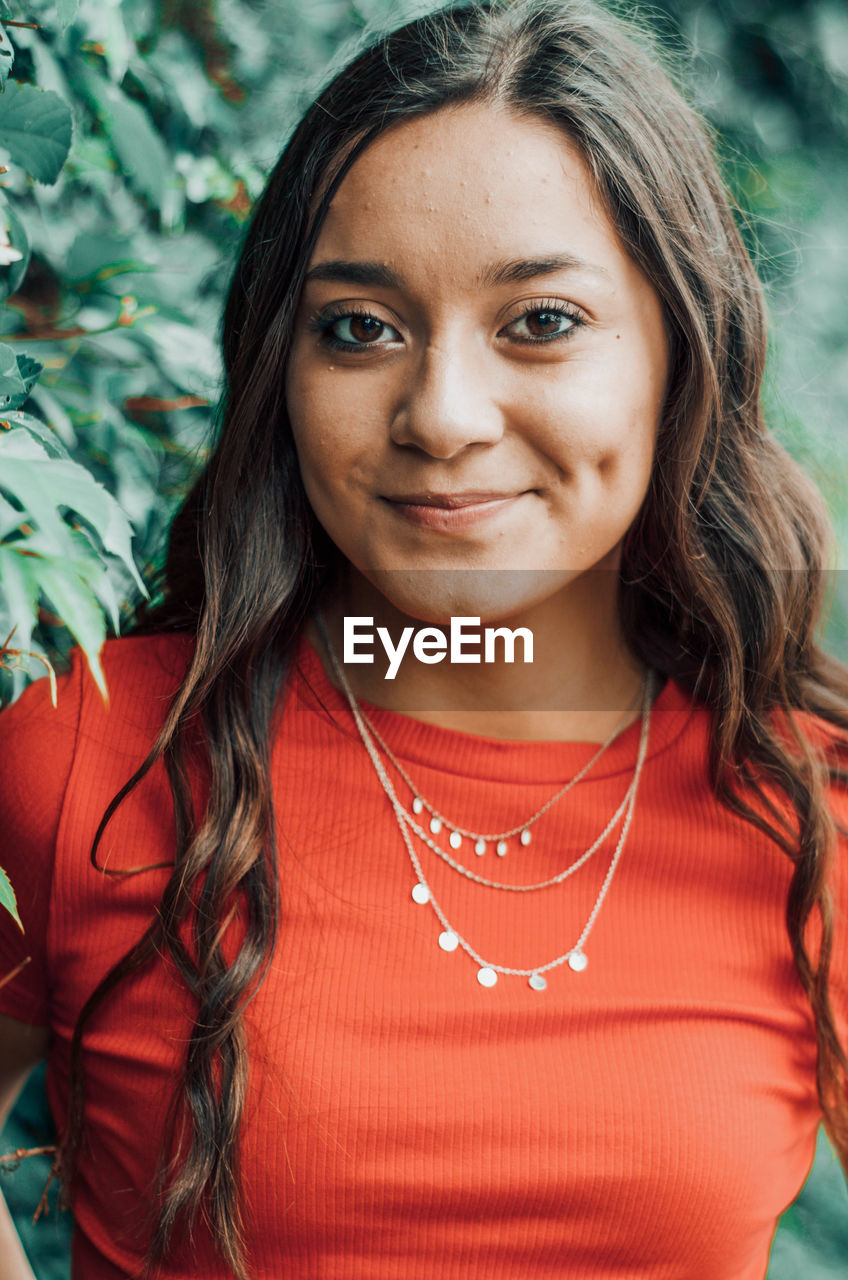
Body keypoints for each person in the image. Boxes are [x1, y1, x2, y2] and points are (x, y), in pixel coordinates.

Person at [1, 0, 847, 1276]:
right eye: (360, 327)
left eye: (541, 322)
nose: (442, 415)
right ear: (280, 368)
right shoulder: (87, 745)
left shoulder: (808, 805)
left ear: (684, 348)